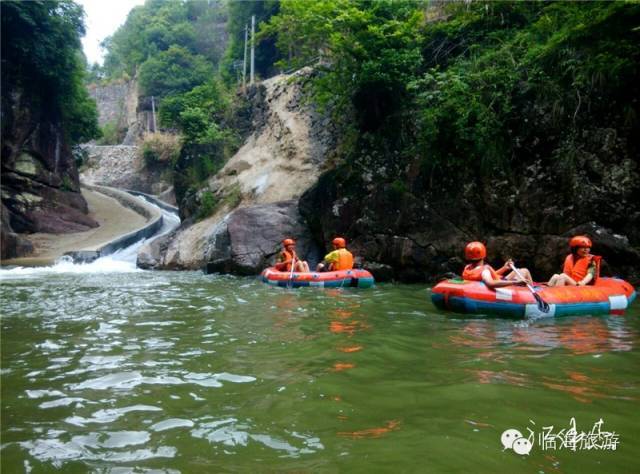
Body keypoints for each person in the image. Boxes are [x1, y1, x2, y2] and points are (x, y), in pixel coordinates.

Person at [462, 241, 532, 288]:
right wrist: (516, 282)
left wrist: (504, 268)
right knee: (525, 271)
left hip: (500, 279)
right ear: (483, 255)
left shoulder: (467, 267)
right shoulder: (484, 271)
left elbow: (487, 275)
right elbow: (490, 283)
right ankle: (532, 294)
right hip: (501, 284)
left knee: (517, 270)